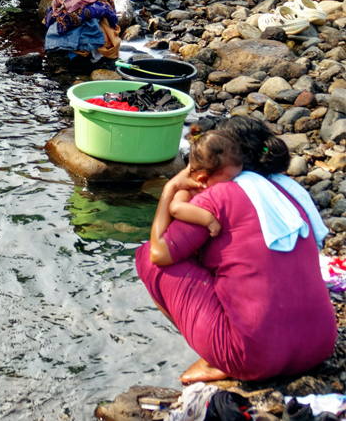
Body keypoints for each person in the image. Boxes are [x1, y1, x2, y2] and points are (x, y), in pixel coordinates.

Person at [137, 117, 336, 384]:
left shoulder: (218, 195)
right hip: (319, 345)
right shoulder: (287, 190)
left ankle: (215, 360)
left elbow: (160, 253)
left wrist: (170, 188)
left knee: (147, 256)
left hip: (254, 359)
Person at [168, 127, 243, 237]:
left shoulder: (211, 181)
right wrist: (209, 220)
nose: (235, 183)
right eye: (231, 179)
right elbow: (176, 208)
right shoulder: (188, 191)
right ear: (203, 178)